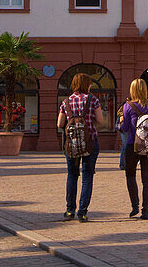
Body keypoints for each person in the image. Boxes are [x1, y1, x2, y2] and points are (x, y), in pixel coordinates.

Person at [58, 72, 105, 222]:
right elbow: (101, 120)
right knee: (87, 176)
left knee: (72, 175)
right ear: (87, 84)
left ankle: (69, 210)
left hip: (71, 143)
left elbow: (59, 124)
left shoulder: (66, 101)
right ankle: (82, 212)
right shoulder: (93, 100)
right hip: (90, 141)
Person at [120, 78, 148, 220]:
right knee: (147, 179)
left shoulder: (128, 106)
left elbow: (125, 128)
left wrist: (121, 122)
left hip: (132, 144)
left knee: (130, 175)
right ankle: (146, 211)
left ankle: (134, 206)